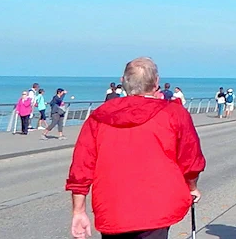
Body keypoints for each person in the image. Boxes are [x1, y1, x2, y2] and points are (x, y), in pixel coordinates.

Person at [67, 57, 205, 239]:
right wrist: (192, 186)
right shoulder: (174, 114)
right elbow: (190, 160)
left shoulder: (100, 116)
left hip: (113, 207)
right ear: (156, 82)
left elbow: (81, 168)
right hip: (157, 206)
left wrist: (79, 210)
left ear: (123, 81)